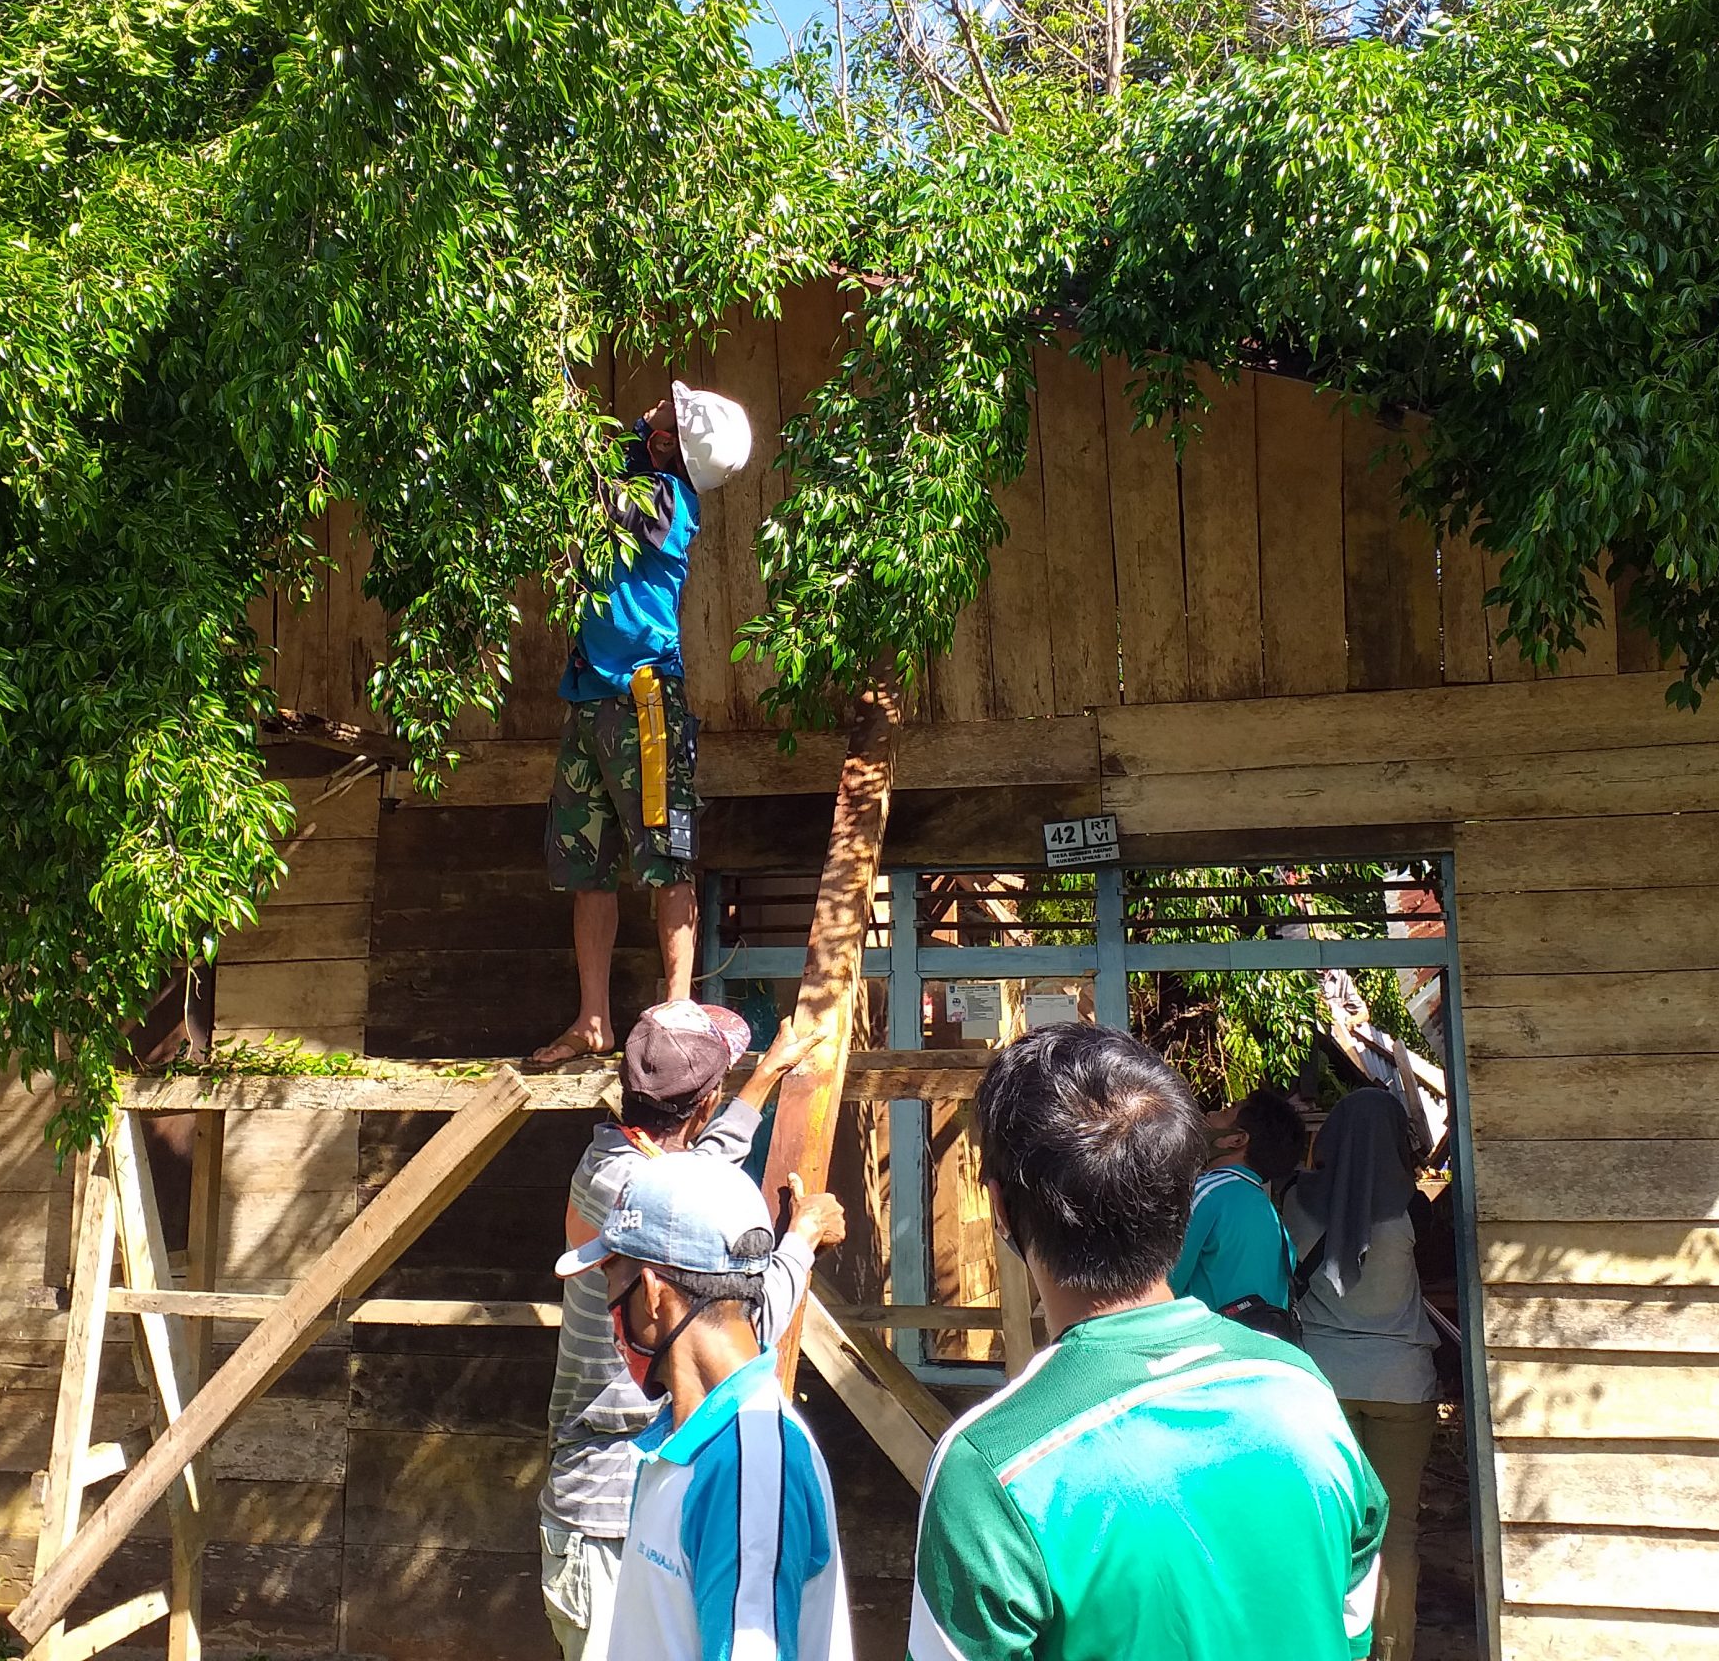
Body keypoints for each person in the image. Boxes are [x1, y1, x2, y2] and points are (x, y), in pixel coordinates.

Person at [909, 1024, 1386, 1661]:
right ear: (1180, 1201)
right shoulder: (1302, 1391)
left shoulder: (993, 1466)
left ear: (997, 1206)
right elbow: (1351, 1617)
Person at [539, 1000, 843, 1660]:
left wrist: (758, 1086)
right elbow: (737, 1320)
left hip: (618, 1495)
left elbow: (692, 1174)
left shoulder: (613, 1160)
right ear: (703, 1107)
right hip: (607, 1506)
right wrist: (800, 1244)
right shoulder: (637, 1193)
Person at [533, 383, 752, 1066]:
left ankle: (680, 1004)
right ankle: (593, 1020)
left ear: (668, 446)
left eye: (665, 415)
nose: (654, 406)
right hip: (593, 695)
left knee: (666, 857)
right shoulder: (652, 478)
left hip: (645, 699)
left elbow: (594, 482)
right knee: (587, 866)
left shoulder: (665, 501)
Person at [1280, 1088, 1440, 1661]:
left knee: (1329, 1528)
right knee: (1396, 1531)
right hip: (1402, 1384)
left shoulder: (1295, 1200)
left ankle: (1325, 1646)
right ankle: (1392, 1651)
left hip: (1323, 1387)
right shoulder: (1416, 1211)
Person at [1169, 1089, 1306, 1326]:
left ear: (1236, 1139)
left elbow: (1157, 1285)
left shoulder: (1206, 1191)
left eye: (1224, 1112)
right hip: (1260, 1354)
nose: (1210, 1114)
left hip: (1203, 1353)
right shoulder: (1273, 1217)